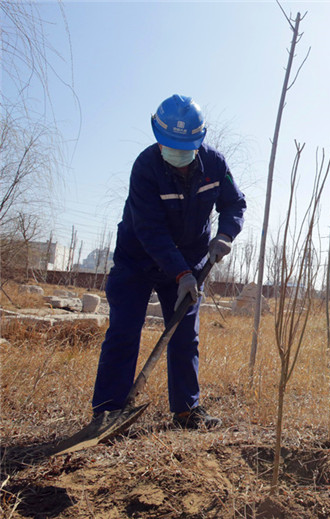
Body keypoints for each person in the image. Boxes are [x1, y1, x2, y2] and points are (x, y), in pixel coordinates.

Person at [91, 95, 246, 430]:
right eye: (170, 146)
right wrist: (180, 274)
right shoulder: (145, 168)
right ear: (158, 139)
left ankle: (187, 410)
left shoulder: (215, 165)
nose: (178, 155)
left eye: (185, 147)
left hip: (189, 260)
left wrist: (225, 235)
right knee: (124, 331)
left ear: (200, 140)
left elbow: (235, 204)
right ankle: (107, 412)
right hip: (139, 258)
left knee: (184, 334)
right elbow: (150, 229)